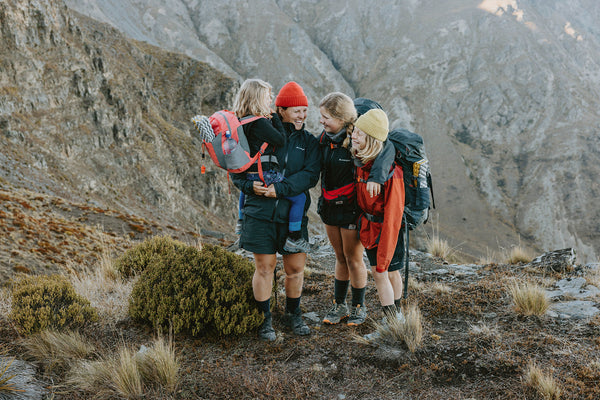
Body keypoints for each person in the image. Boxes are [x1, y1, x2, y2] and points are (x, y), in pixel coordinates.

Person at [231, 81, 320, 341]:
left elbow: (310, 176)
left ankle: (294, 314)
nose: (302, 115)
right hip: (259, 213)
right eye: (296, 110)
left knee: (295, 269)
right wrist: (250, 186)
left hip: (292, 216)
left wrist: (280, 191)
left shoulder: (309, 142)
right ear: (280, 110)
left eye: (305, 110)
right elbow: (235, 170)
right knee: (264, 268)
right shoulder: (259, 131)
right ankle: (264, 320)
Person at [233, 79, 310, 254]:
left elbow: (236, 164)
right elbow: (281, 139)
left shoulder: (240, 121)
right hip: (264, 186)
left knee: (246, 188)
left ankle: (240, 220)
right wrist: (274, 117)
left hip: (251, 176)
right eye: (268, 97)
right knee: (299, 199)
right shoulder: (261, 123)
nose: (270, 101)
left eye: (304, 111)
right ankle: (294, 237)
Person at [351, 109, 406, 339]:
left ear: (372, 140)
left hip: (387, 232)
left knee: (382, 273)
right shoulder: (365, 163)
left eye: (359, 134)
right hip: (372, 229)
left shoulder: (392, 174)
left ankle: (391, 325)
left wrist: (383, 254)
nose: (353, 136)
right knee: (391, 273)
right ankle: (398, 318)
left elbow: (393, 217)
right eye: (354, 130)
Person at [317, 92, 369, 326]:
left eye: (326, 117)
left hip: (351, 210)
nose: (322, 121)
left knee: (353, 258)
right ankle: (340, 304)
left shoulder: (357, 142)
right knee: (339, 256)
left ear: (341, 118)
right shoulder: (323, 139)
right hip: (328, 207)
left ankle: (359, 306)